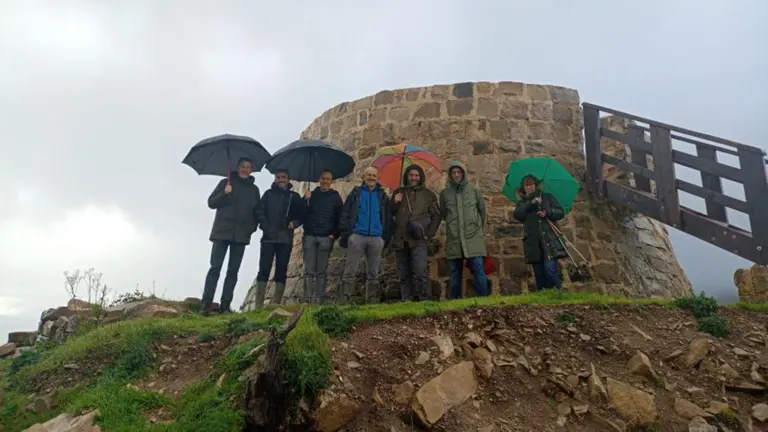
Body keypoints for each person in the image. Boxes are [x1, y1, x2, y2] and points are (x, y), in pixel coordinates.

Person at [201, 157, 261, 316]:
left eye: (248, 167)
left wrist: (250, 229)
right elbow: (211, 202)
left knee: (233, 271)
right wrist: (223, 193)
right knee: (215, 268)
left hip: (241, 236)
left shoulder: (254, 190)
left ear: (251, 170)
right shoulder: (225, 183)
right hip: (222, 232)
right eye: (242, 166)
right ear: (237, 167)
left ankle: (225, 306)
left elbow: (257, 213)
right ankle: (206, 304)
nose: (245, 169)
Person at [249, 168, 304, 309]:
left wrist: (295, 223)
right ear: (275, 179)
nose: (281, 179)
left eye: (284, 177)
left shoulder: (295, 197)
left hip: (285, 238)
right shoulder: (268, 195)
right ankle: (258, 306)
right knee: (264, 269)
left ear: (288, 179)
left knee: (281, 270)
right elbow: (259, 211)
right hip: (268, 238)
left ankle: (275, 304)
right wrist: (266, 227)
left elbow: (301, 215)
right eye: (278, 177)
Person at [338, 166, 393, 304]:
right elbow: (345, 213)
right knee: (350, 270)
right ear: (363, 177)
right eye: (368, 175)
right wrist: (348, 234)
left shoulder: (382, 196)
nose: (371, 178)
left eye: (374, 176)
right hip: (357, 236)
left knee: (373, 273)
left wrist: (383, 237)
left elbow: (388, 216)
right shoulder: (356, 193)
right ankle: (344, 301)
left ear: (377, 178)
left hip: (376, 237)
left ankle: (372, 302)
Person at [390, 164, 441, 301]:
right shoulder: (398, 192)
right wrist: (395, 202)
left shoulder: (428, 195)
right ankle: (407, 300)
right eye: (411, 175)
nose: (414, 178)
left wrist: (429, 233)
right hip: (400, 239)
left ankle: (425, 300)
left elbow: (436, 215)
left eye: (416, 175)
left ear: (420, 177)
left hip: (418, 239)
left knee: (420, 271)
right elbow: (390, 213)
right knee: (403, 274)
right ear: (407, 176)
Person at [440, 161, 489, 299]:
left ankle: (484, 301)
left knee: (478, 269)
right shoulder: (445, 194)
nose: (456, 175)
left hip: (473, 237)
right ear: (450, 175)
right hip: (454, 239)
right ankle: (455, 303)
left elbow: (482, 212)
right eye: (453, 173)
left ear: (463, 173)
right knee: (455, 273)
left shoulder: (474, 191)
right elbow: (444, 213)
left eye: (459, 172)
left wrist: (475, 228)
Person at [512, 175, 567, 290]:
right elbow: (518, 214)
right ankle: (544, 296)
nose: (529, 187)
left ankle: (559, 293)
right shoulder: (522, 202)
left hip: (548, 239)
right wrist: (531, 203)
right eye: (526, 185)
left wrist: (547, 212)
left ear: (536, 185)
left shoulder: (547, 197)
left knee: (550, 270)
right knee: (539, 273)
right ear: (524, 188)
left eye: (531, 184)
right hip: (533, 242)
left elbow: (560, 212)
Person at [301, 169, 343, 304]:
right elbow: (301, 213)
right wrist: (304, 200)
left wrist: (335, 234)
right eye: (323, 178)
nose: (325, 181)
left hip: (326, 237)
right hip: (310, 236)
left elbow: (340, 217)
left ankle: (318, 298)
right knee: (308, 269)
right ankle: (307, 299)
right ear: (319, 180)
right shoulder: (311, 195)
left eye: (328, 179)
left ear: (331, 181)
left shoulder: (336, 198)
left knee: (321, 270)